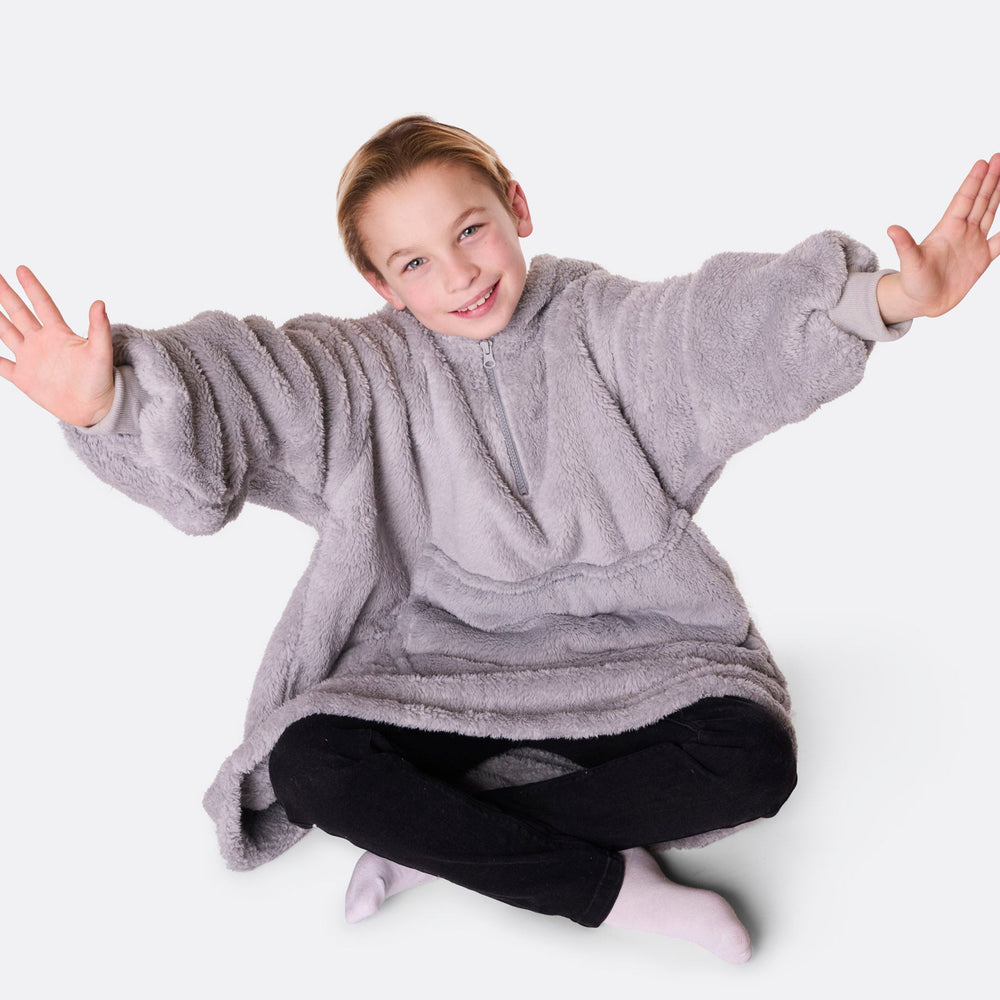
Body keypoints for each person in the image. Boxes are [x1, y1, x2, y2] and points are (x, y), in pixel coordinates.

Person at [1, 116, 997, 964]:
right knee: (310, 762)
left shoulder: (606, 324)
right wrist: (116, 401)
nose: (459, 274)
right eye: (414, 262)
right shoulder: (362, 374)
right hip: (438, 668)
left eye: (470, 229)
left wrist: (888, 299)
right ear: (380, 282)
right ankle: (614, 887)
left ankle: (440, 843)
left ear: (516, 206)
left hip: (634, 653)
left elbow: (720, 329)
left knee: (752, 759)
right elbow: (254, 380)